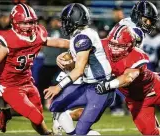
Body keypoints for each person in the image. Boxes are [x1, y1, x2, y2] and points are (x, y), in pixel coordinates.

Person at [55, 1, 160, 135]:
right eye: (114, 44)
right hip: (133, 96)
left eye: (120, 46)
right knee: (149, 132)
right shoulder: (106, 46)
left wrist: (108, 84)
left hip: (150, 87)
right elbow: (82, 45)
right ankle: (62, 118)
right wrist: (66, 56)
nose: (116, 49)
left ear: (129, 46)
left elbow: (128, 77)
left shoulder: (136, 54)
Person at [0, 3, 70, 134]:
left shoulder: (38, 34)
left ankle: (6, 113)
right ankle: (47, 134)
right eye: (23, 23)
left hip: (27, 80)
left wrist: (81, 44)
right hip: (10, 85)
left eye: (31, 22)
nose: (28, 26)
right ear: (14, 23)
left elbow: (59, 42)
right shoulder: (9, 39)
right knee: (36, 117)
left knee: (37, 113)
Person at [43, 3, 115, 135]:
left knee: (81, 132)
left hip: (101, 88)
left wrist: (58, 86)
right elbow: (63, 44)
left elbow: (78, 70)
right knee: (56, 104)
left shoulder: (83, 37)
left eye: (65, 21)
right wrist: (38, 40)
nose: (63, 24)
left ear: (73, 20)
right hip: (88, 85)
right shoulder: (81, 34)